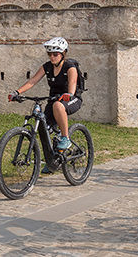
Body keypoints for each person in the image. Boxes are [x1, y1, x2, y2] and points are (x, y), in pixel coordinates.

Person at [8, 37, 82, 166]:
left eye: (55, 54)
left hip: (71, 99)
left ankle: (66, 138)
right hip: (53, 100)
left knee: (58, 106)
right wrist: (17, 92)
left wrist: (69, 94)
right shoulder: (47, 67)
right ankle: (52, 161)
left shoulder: (70, 66)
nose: (52, 57)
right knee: (45, 128)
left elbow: (73, 82)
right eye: (49, 54)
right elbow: (33, 81)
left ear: (63, 53)